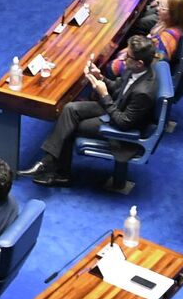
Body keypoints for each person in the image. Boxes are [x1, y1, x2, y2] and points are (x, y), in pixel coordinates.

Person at [20, 37, 158, 187]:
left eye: (128, 56)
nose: (124, 58)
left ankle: (60, 173)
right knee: (70, 109)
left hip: (120, 125)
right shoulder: (135, 70)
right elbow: (119, 87)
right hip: (116, 106)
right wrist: (101, 77)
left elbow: (123, 122)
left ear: (139, 63)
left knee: (70, 125)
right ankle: (48, 162)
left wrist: (104, 95)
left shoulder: (144, 92)